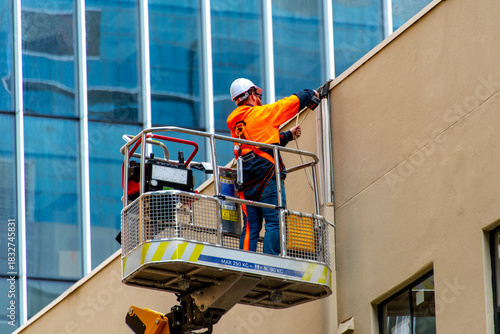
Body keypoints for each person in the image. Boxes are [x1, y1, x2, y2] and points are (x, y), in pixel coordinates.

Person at [226, 78, 319, 255]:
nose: (260, 98)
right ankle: (271, 261)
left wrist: (287, 136)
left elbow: (259, 142)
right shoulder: (262, 113)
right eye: (258, 95)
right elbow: (288, 104)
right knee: (274, 221)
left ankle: (245, 261)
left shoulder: (237, 124)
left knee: (251, 226)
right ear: (252, 95)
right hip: (266, 176)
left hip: (245, 179)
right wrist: (310, 94)